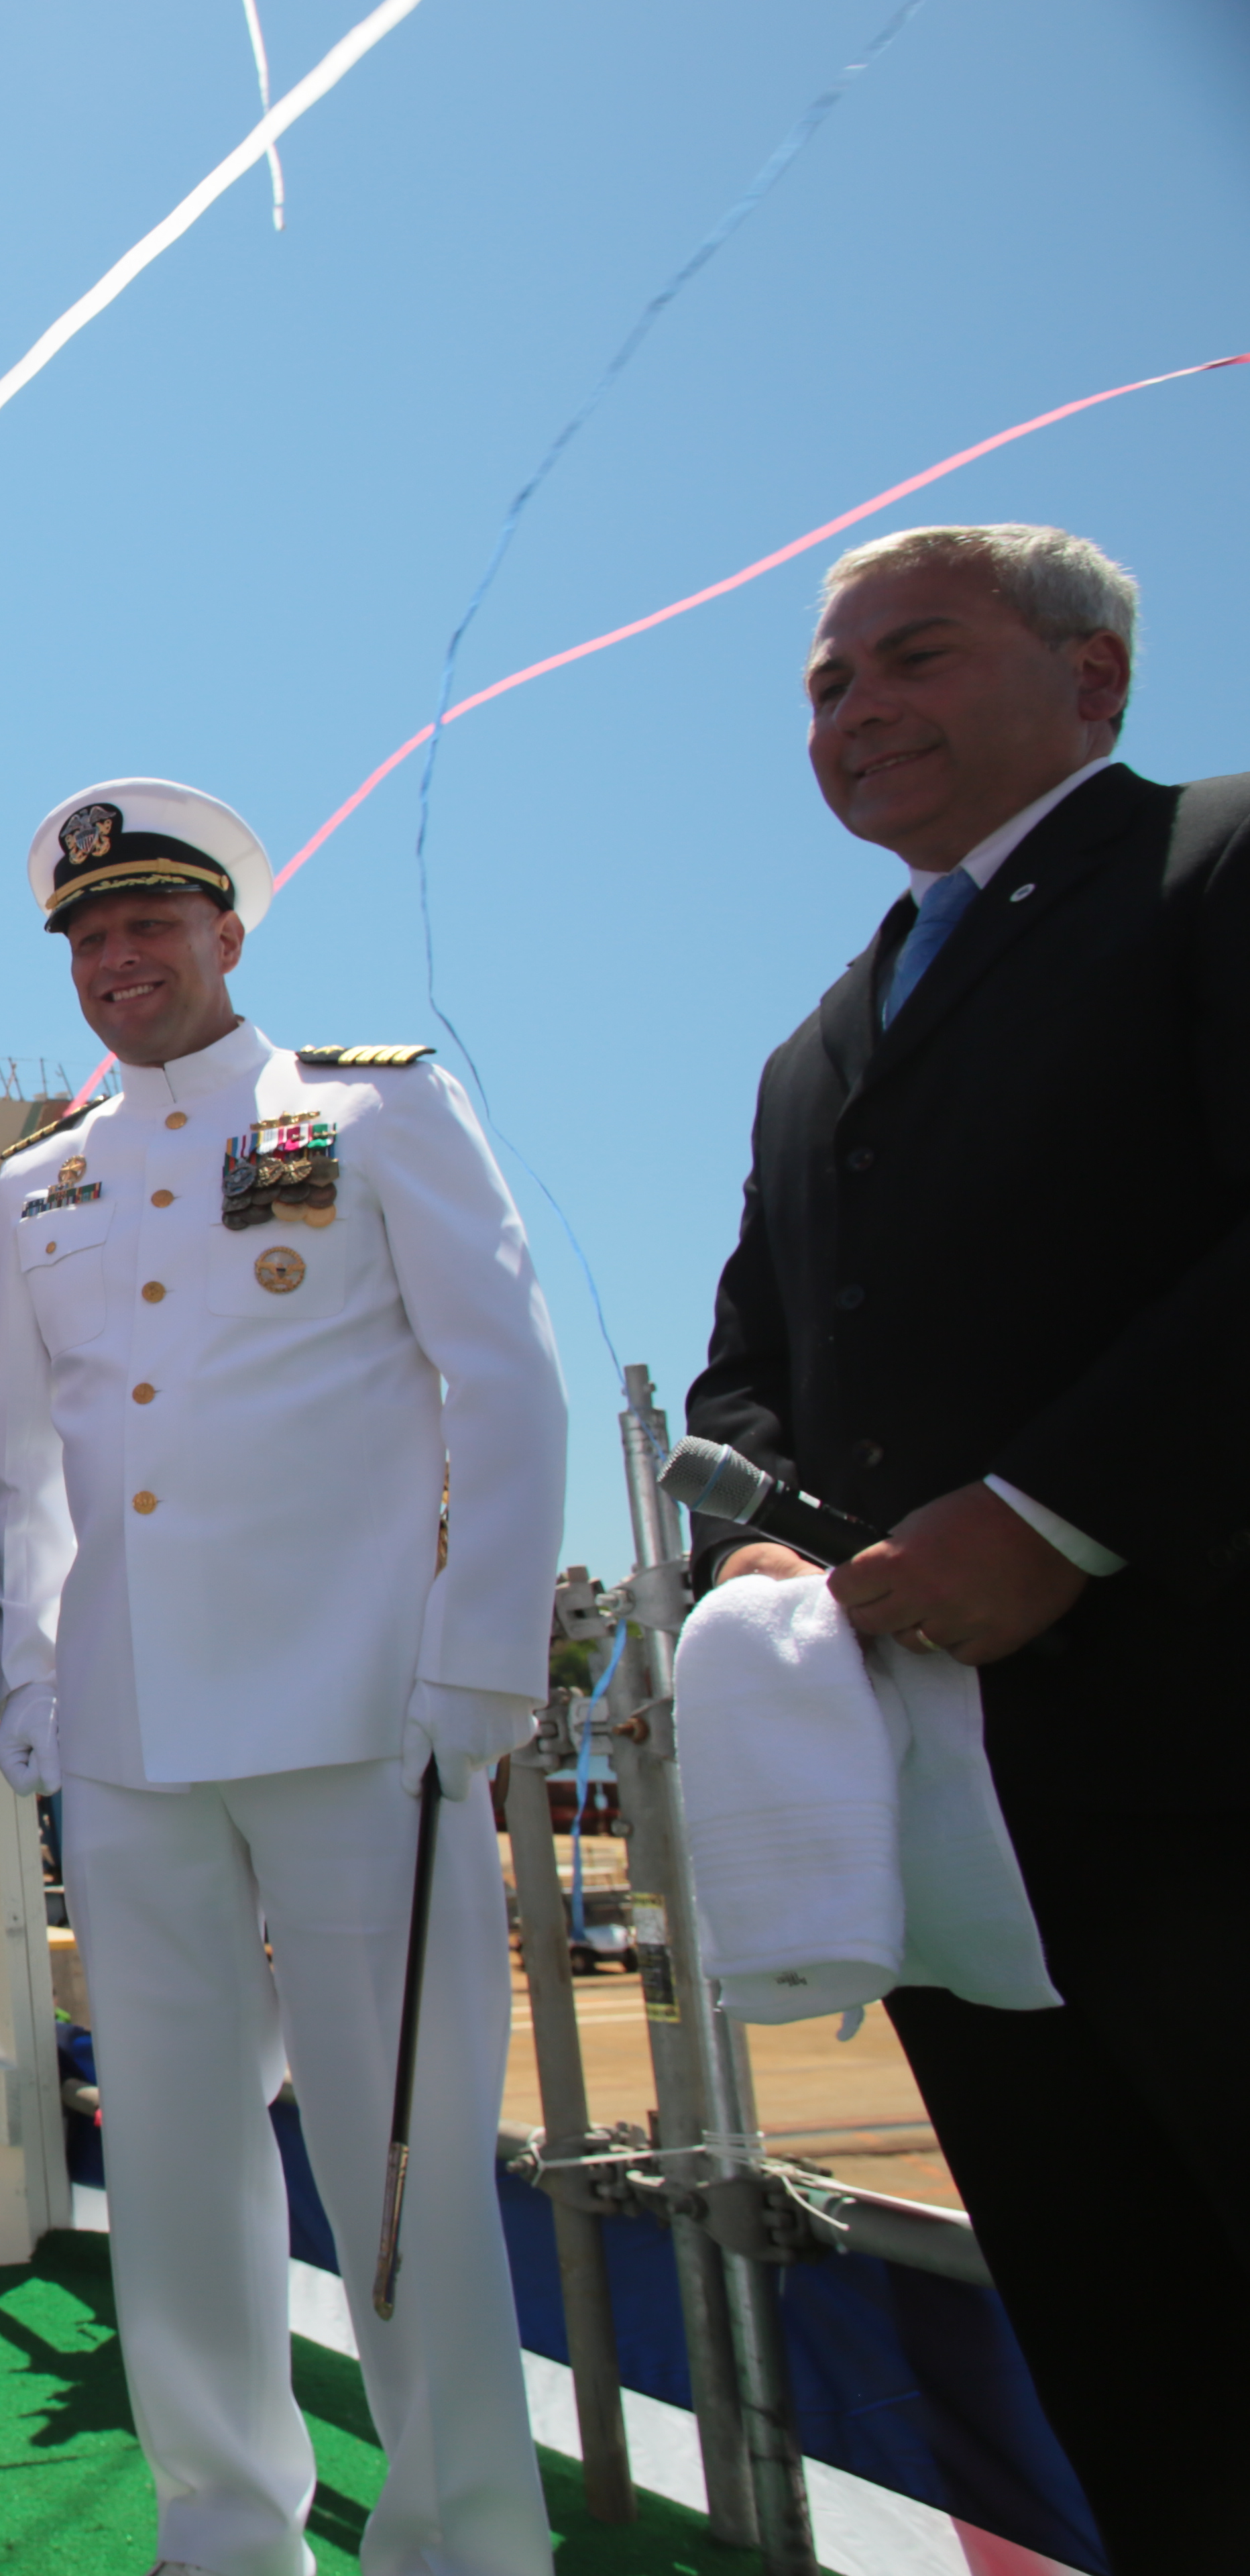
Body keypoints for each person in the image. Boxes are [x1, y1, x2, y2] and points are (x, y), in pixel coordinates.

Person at [682, 523, 1249, 2570]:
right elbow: (752, 1368)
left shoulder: (1213, 861)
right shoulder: (821, 1041)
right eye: (826, 689)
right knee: (1127, 2343)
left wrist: (1055, 1514)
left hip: (1204, 1752)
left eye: (911, 659)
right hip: (955, 1797)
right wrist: (750, 1555)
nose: (854, 714)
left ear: (1092, 682)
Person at [0, 779, 567, 2576]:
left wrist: (478, 1666)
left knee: (401, 2161)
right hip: (137, 1740)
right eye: (88, 935)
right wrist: (37, 1693)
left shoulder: (375, 1111)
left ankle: (465, 2539)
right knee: (166, 2166)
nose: (118, 958)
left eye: (151, 923)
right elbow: (25, 1473)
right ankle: (226, 2526)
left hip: (360, 1720)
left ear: (231, 932)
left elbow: (511, 1387)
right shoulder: (40, 1180)